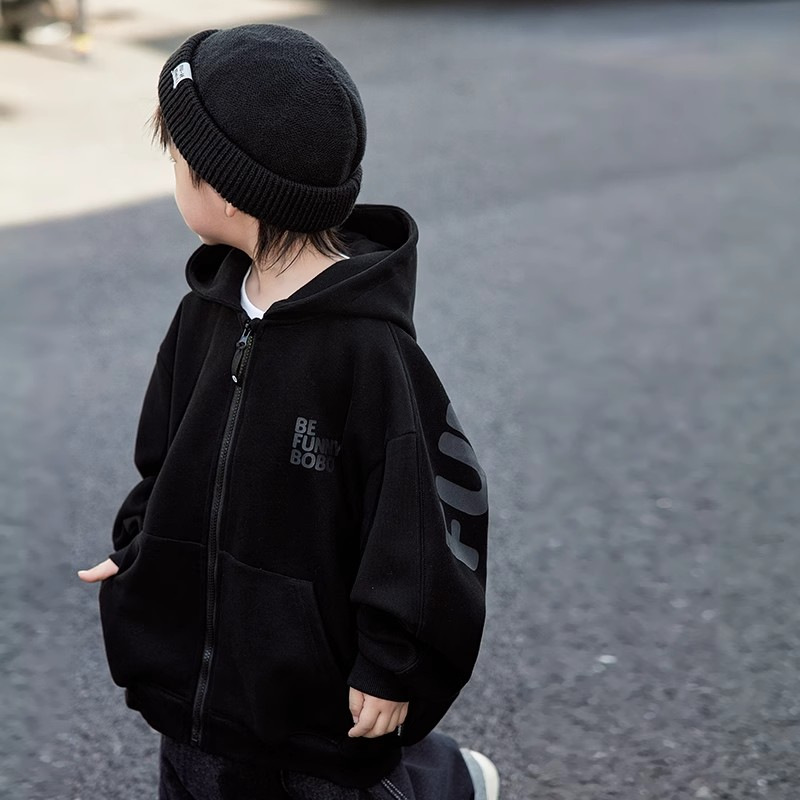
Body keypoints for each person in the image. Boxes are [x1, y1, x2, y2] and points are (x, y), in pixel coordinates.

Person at [77, 23, 498, 800]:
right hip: (197, 686)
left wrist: (393, 662)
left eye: (177, 162)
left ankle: (443, 781)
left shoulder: (368, 352)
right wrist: (139, 544)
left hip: (314, 702)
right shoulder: (203, 313)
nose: (174, 178)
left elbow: (421, 521)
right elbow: (164, 457)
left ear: (224, 189)